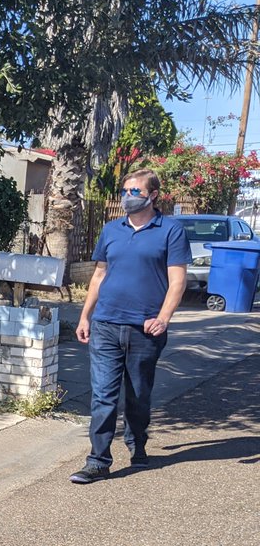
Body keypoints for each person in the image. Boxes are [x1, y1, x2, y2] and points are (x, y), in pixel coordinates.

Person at [69, 169, 190, 484]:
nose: (128, 197)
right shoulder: (111, 230)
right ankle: (97, 461)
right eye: (125, 191)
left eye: (135, 192)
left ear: (153, 195)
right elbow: (99, 275)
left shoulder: (171, 231)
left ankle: (137, 443)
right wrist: (85, 316)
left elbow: (177, 281)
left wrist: (163, 318)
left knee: (138, 395)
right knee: (103, 396)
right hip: (106, 324)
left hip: (145, 329)